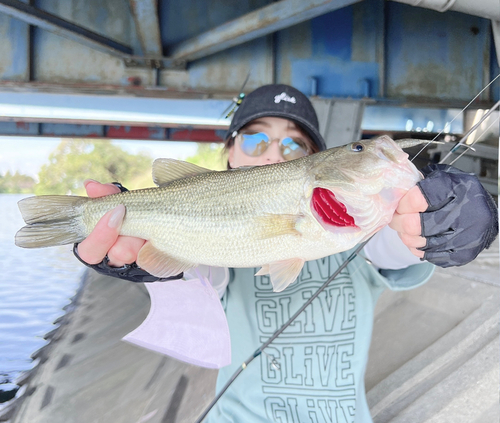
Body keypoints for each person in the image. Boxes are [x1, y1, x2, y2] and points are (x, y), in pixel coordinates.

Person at [75, 84, 498, 422]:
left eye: (295, 146)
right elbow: (200, 276)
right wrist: (147, 265)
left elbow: (395, 247)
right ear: (229, 152)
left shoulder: (359, 235)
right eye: (256, 140)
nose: (274, 153)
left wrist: (439, 221)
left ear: (316, 162)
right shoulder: (215, 249)